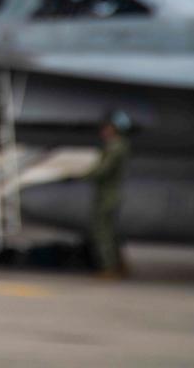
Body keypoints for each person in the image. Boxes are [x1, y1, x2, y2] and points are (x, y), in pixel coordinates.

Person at [81, 110, 132, 278]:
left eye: (107, 127)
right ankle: (119, 266)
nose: (104, 131)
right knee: (110, 232)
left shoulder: (115, 147)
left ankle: (109, 268)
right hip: (110, 195)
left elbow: (103, 170)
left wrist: (81, 174)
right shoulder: (118, 145)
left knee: (103, 232)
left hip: (107, 196)